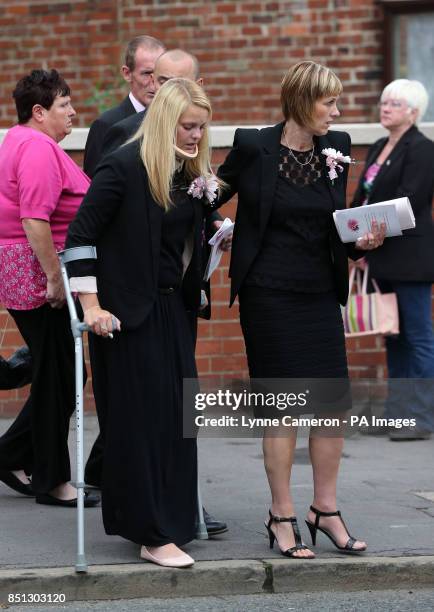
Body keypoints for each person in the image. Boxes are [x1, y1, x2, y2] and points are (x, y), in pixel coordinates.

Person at [217, 61, 385, 558]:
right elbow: (208, 197)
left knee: (332, 405)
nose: (337, 111)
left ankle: (325, 510)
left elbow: (336, 225)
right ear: (300, 101)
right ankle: (282, 514)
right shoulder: (254, 146)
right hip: (268, 294)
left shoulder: (336, 148)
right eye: (328, 102)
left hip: (319, 293)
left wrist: (363, 242)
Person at [65, 78, 224, 567]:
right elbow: (80, 236)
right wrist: (91, 308)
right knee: (142, 423)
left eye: (201, 128)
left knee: (178, 418)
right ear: (164, 120)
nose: (196, 136)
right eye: (188, 126)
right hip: (126, 316)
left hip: (174, 309)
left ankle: (175, 521)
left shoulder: (185, 171)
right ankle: (150, 532)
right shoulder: (123, 165)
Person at [0, 69, 99, 507]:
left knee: (57, 373)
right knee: (61, 374)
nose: (73, 111)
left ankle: (15, 457)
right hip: (36, 269)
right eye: (64, 104)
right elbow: (34, 219)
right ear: (39, 112)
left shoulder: (21, 140)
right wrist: (54, 280)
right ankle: (51, 478)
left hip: (26, 266)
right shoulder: (37, 147)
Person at [351, 79, 434, 441]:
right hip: (380, 252)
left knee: (418, 336)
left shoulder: (423, 149)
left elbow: (408, 201)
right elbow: (362, 197)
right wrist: (354, 240)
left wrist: (368, 232)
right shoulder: (380, 146)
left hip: (410, 257)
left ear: (414, 112)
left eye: (395, 104)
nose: (385, 108)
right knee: (394, 336)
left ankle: (421, 416)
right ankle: (397, 414)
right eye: (384, 102)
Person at [83, 35, 165, 178]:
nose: (154, 83)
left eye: (160, 75)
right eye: (146, 73)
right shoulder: (106, 124)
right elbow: (93, 187)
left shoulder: (172, 120)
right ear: (127, 74)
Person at [101, 49, 202, 157]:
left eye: (180, 85)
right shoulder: (127, 132)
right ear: (153, 81)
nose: (169, 91)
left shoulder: (200, 130)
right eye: (163, 82)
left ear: (198, 86)